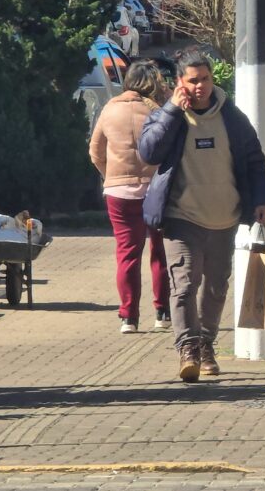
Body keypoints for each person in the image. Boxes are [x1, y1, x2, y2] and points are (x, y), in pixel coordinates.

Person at [139, 50, 265, 383]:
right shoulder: (168, 115)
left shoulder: (232, 118)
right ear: (179, 83)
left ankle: (206, 345)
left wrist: (262, 199)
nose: (201, 86)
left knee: (215, 287)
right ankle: (187, 349)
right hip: (180, 217)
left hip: (223, 218)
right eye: (193, 80)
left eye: (206, 79)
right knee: (184, 285)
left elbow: (255, 161)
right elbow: (149, 152)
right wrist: (172, 109)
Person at [88, 60, 171, 334]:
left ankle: (128, 317)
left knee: (127, 255)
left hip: (118, 192)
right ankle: (162, 312)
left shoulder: (109, 110)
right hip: (154, 189)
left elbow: (95, 151)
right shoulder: (156, 111)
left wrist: (108, 174)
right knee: (159, 252)